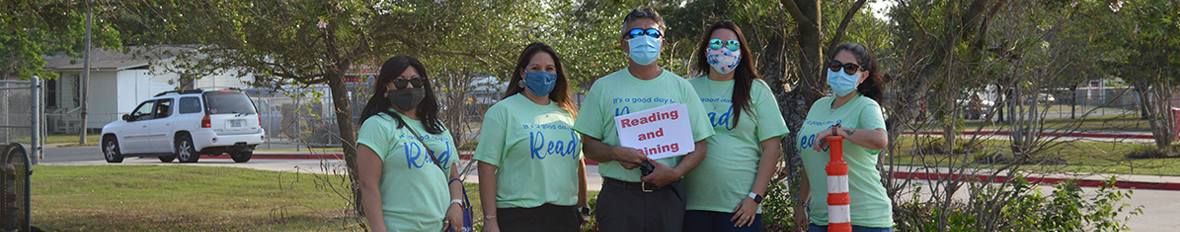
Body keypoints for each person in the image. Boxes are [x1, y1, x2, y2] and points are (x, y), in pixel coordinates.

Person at [573, 7, 715, 232]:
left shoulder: (682, 88)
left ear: (662, 44)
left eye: (652, 34)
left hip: (667, 197)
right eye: (635, 34)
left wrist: (676, 173)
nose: (645, 40)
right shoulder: (602, 87)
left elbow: (701, 146)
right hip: (619, 197)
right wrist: (614, 152)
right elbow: (588, 147)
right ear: (623, 44)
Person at [682, 20, 790, 232]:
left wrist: (755, 198)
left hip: (740, 209)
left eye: (731, 45)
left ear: (741, 53)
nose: (723, 50)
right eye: (716, 44)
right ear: (706, 51)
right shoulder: (686, 88)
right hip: (691, 205)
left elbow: (771, 148)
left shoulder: (757, 89)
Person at [475, 42, 589, 232]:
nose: (543, 73)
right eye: (535, 68)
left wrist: (583, 209)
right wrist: (490, 220)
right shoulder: (502, 112)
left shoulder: (567, 114)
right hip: (519, 217)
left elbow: (578, 164)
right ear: (522, 73)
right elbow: (486, 167)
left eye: (549, 69)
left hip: (565, 218)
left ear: (557, 74)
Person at [356, 55, 465, 232]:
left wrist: (456, 204)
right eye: (400, 82)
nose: (409, 87)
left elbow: (453, 176)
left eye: (416, 81)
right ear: (385, 87)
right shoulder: (377, 125)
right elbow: (368, 186)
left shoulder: (438, 127)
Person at [794, 43, 893, 232]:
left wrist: (838, 131)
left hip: (862, 219)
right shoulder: (819, 106)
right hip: (821, 219)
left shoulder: (866, 106)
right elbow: (812, 158)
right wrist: (801, 204)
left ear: (863, 76)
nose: (841, 72)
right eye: (835, 66)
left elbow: (881, 139)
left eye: (850, 68)